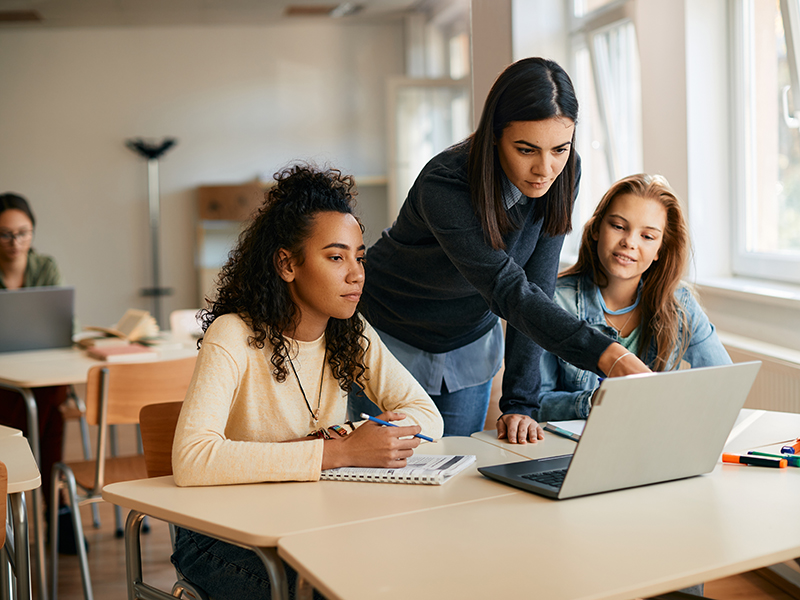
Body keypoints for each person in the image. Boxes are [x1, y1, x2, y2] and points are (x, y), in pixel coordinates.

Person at [170, 164, 444, 600]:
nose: (356, 274)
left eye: (359, 257)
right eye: (336, 257)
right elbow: (192, 459)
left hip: (310, 522)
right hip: (222, 535)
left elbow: (427, 416)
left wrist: (355, 438)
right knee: (336, 589)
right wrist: (341, 451)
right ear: (287, 264)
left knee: (413, 566)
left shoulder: (351, 331)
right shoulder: (233, 334)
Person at [351, 57, 649, 443]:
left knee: (456, 472)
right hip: (389, 334)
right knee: (385, 472)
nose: (545, 169)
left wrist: (520, 403)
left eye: (560, 148)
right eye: (526, 150)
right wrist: (608, 354)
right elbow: (506, 288)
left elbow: (536, 287)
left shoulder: (564, 173)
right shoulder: (445, 184)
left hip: (468, 342)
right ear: (494, 135)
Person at [538, 173, 731, 423]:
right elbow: (534, 404)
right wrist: (595, 401)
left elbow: (725, 383)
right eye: (618, 226)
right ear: (596, 229)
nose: (629, 242)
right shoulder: (553, 300)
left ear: (660, 249)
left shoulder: (679, 303)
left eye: (647, 236)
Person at [0, 192, 69, 541]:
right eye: (6, 234)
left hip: (40, 368)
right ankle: (57, 506)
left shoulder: (45, 266)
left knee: (47, 393)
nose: (15, 242)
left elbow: (60, 323)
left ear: (33, 232)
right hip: (4, 376)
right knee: (51, 407)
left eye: (23, 233)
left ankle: (12, 496)